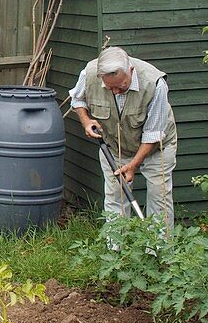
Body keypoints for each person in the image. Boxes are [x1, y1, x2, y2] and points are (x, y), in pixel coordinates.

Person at [70, 46, 177, 225]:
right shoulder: (89, 73)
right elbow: (77, 99)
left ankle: (160, 250)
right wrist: (86, 121)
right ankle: (117, 249)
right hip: (114, 146)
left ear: (131, 71)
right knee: (114, 197)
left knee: (160, 199)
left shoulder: (154, 83)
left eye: (121, 86)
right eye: (109, 88)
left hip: (157, 147)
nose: (115, 92)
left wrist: (133, 165)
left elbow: (153, 134)